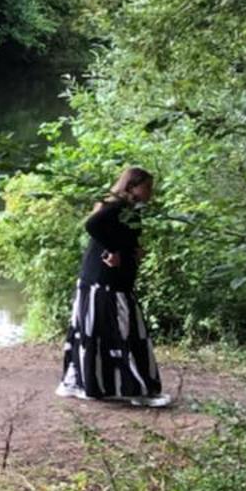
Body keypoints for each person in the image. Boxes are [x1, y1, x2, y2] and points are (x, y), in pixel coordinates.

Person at [57, 165, 171, 406]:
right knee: (121, 329)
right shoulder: (117, 206)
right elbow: (93, 225)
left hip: (111, 280)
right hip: (104, 281)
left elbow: (122, 235)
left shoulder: (128, 210)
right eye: (147, 187)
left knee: (103, 330)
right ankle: (134, 388)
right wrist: (112, 249)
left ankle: (89, 383)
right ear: (131, 187)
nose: (151, 192)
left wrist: (132, 249)